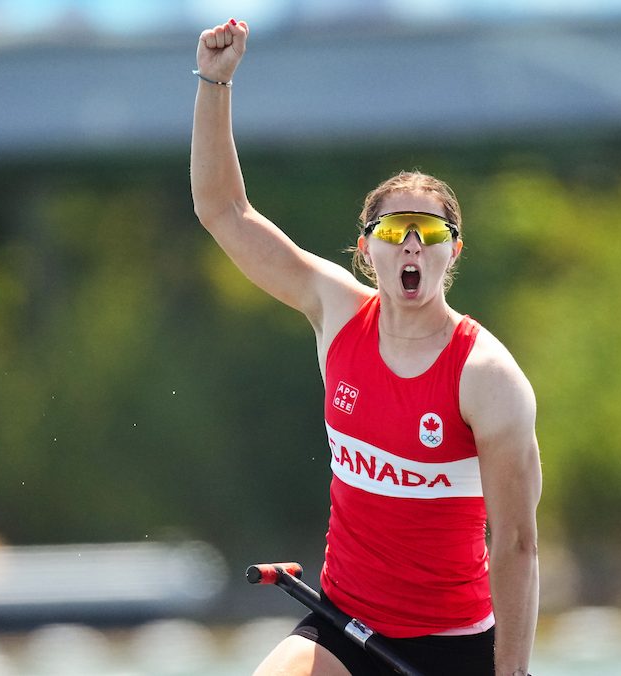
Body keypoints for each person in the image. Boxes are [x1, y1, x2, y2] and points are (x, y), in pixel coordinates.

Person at [191, 19, 541, 676]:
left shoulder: (486, 376)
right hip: (342, 624)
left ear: (452, 253)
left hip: (454, 647)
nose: (412, 242)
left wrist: (512, 674)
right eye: (395, 228)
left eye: (430, 230)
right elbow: (223, 211)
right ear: (365, 250)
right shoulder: (333, 310)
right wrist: (214, 82)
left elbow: (518, 544)